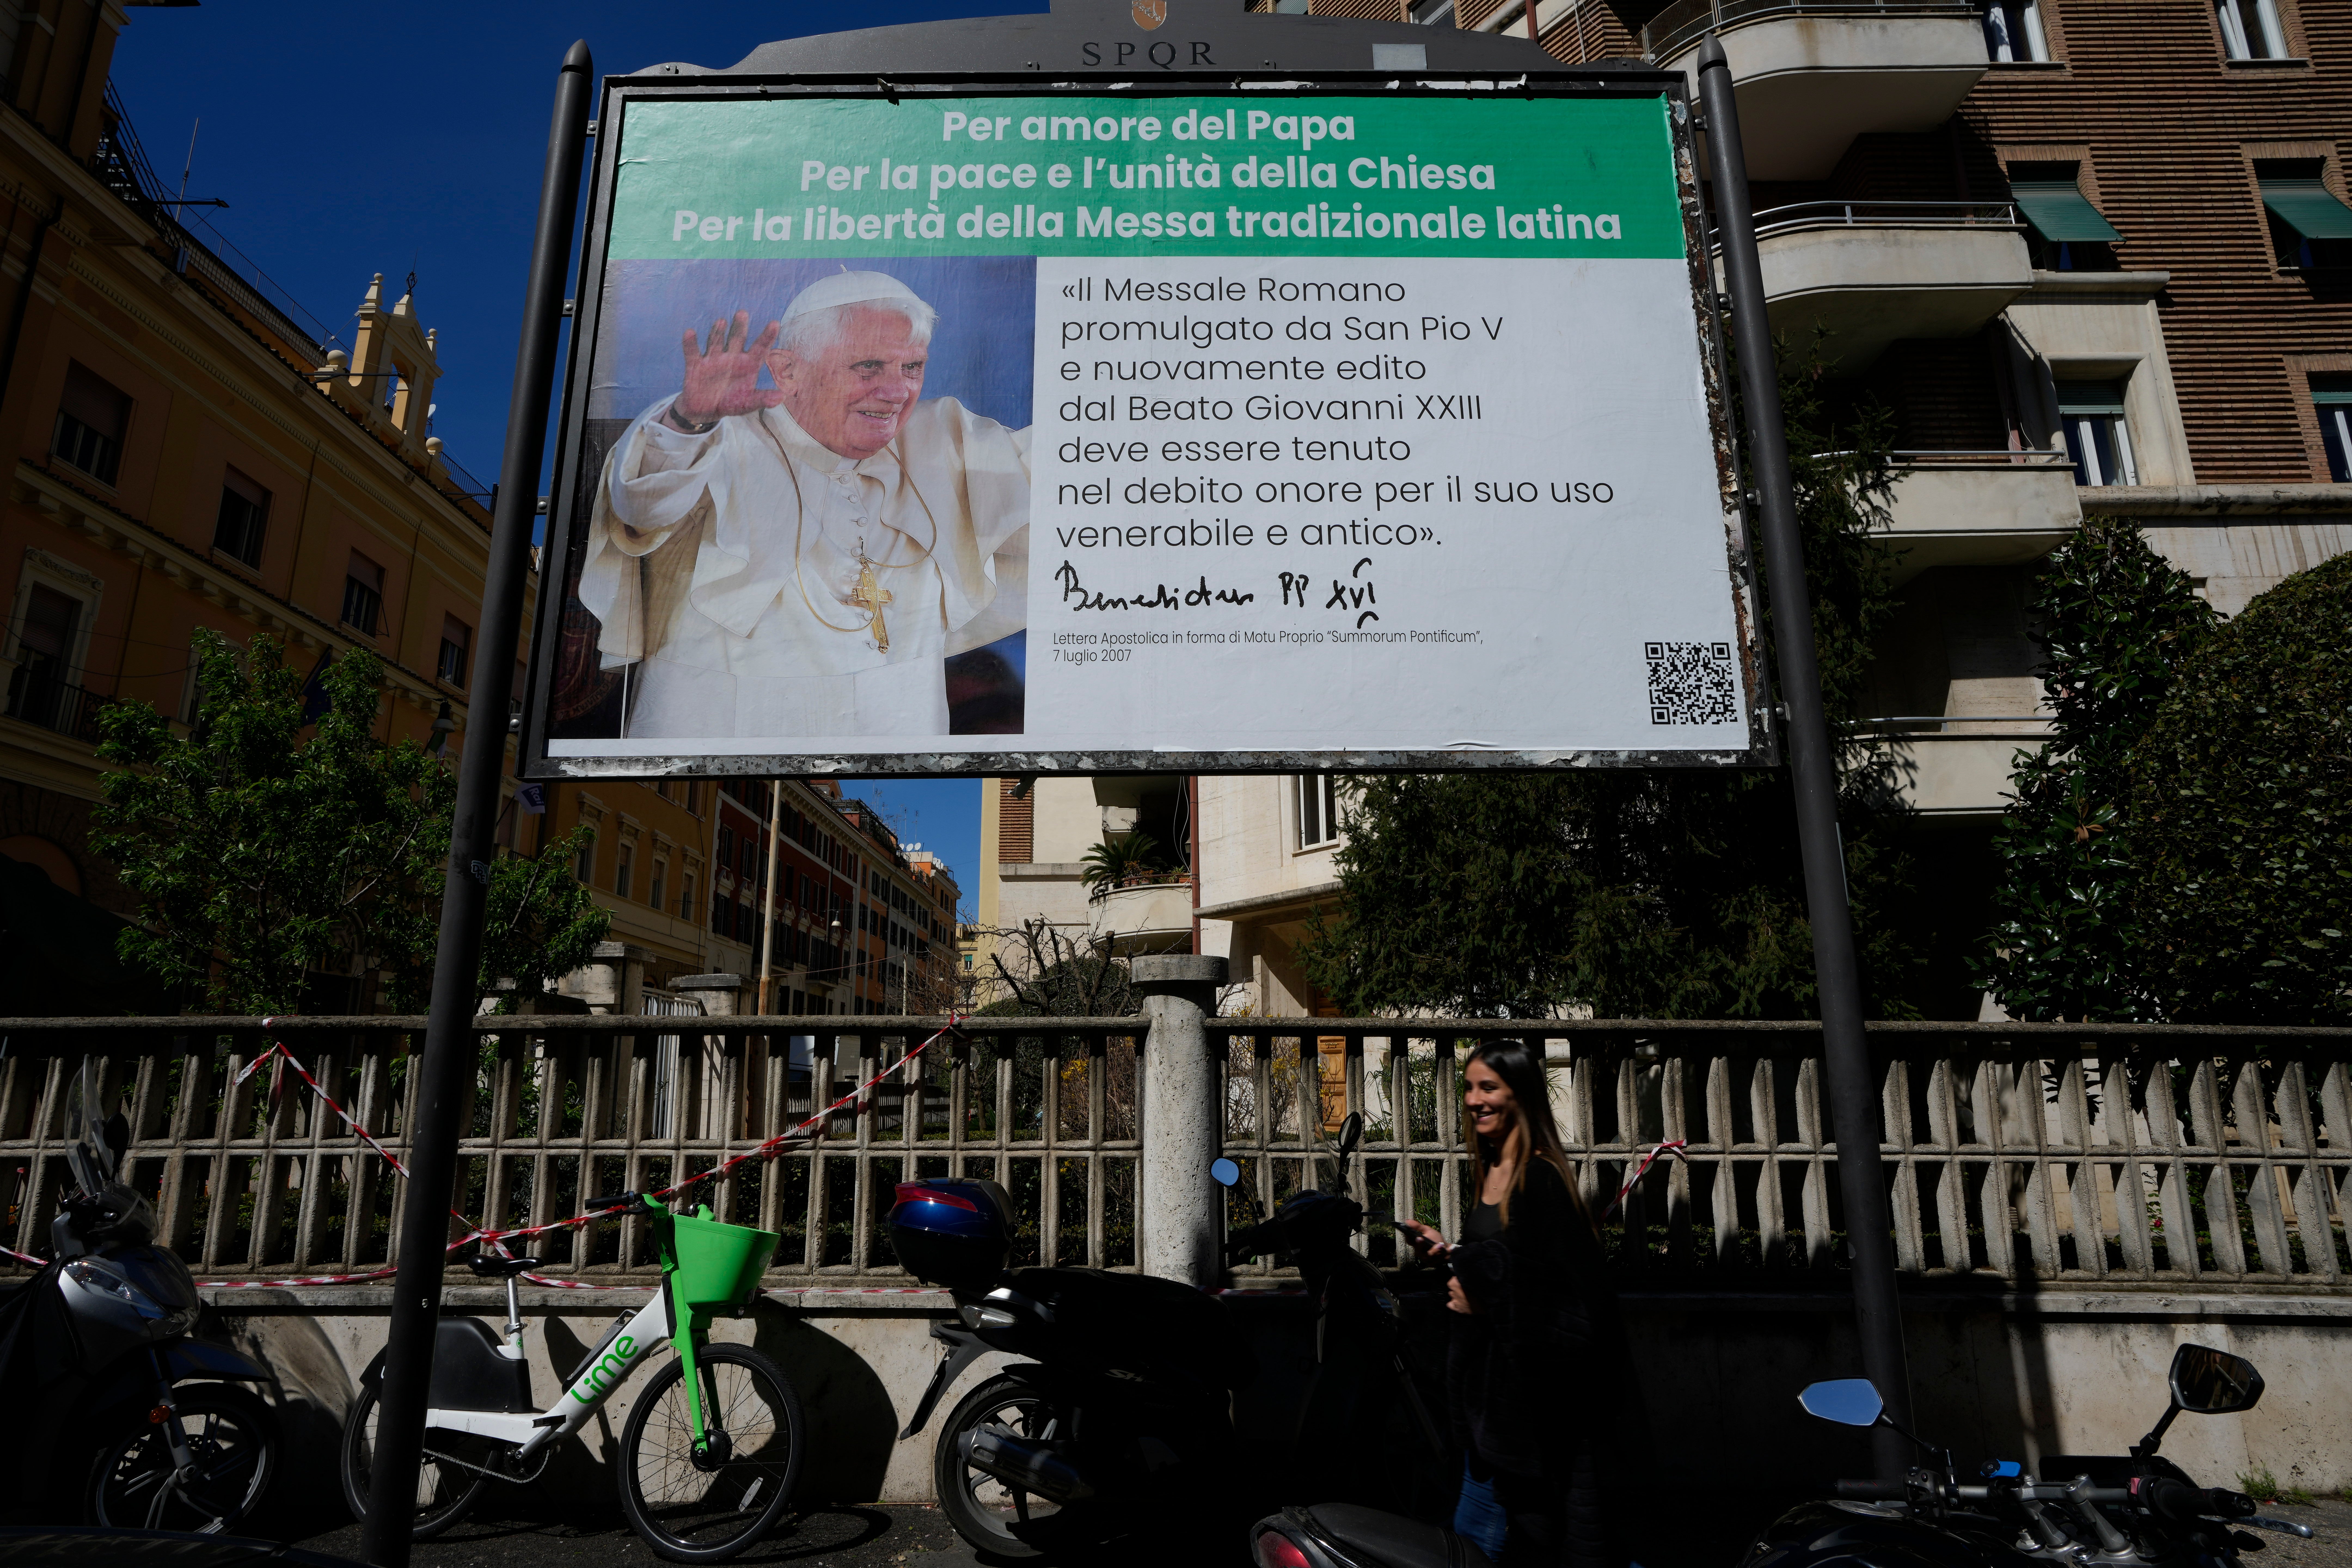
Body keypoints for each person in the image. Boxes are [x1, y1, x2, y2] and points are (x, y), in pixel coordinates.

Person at [578, 270, 1031, 739]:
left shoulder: (945, 439)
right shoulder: (716, 432)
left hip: (893, 725)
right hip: (720, 720)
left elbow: (1072, 473)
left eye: (912, 367)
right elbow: (643, 506)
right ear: (788, 371)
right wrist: (689, 421)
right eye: (869, 366)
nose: (897, 393)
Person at [1401, 1039, 1638, 1568]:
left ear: (1522, 1095)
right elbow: (1506, 1267)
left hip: (1531, 1426)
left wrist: (1489, 1306)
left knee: (1493, 1550)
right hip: (1491, 1417)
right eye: (1468, 1088)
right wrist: (1450, 1257)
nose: (1474, 1100)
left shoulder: (1542, 1179)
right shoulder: (1490, 1173)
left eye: (1489, 1087)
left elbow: (1582, 1308)